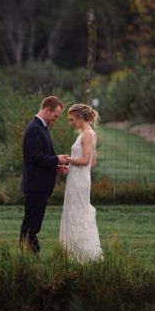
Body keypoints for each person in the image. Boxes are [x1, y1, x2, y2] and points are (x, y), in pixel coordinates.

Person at [20, 96, 69, 255]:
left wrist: (56, 165)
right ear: (47, 110)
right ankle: (28, 256)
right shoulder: (34, 128)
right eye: (56, 115)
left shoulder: (42, 128)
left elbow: (42, 158)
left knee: (33, 224)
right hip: (35, 185)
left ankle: (29, 256)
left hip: (40, 184)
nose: (56, 119)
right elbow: (36, 157)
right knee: (31, 225)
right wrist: (57, 159)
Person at [59, 103, 103, 262]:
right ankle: (73, 252)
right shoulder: (86, 133)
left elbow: (85, 161)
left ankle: (82, 254)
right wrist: (68, 168)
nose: (70, 123)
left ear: (79, 117)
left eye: (72, 120)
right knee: (74, 211)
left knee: (78, 212)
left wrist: (67, 159)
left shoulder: (87, 135)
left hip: (79, 182)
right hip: (78, 178)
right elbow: (93, 162)